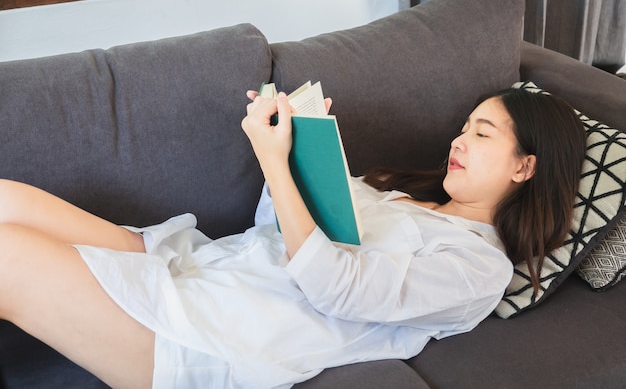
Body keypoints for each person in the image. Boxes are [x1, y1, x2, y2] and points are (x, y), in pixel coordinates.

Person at [0, 87, 586, 388]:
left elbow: (338, 291)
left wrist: (275, 164)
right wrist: (302, 152)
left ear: (525, 167)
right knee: (9, 199)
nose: (458, 141)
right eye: (463, 128)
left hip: (210, 341)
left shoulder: (476, 269)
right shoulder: (402, 193)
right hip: (199, 268)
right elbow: (272, 231)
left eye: (480, 134)